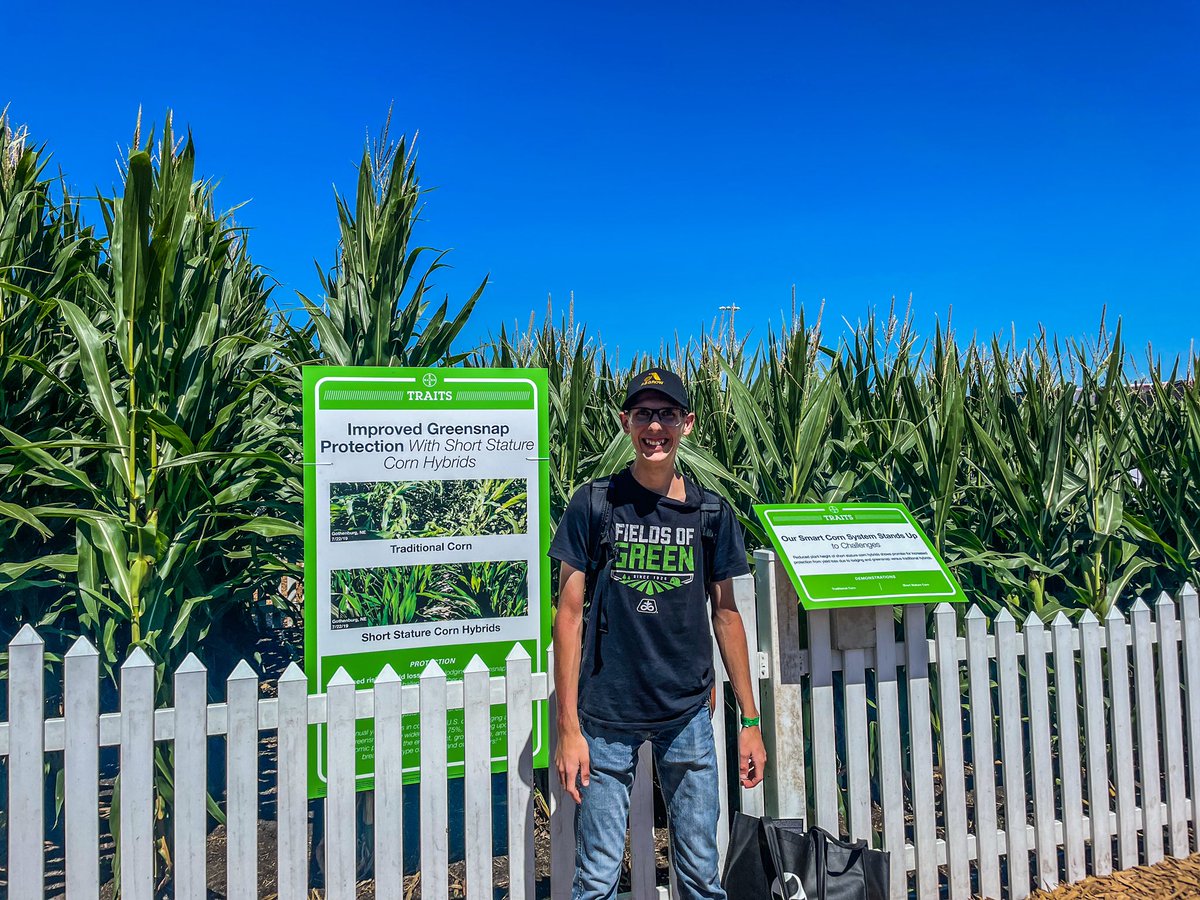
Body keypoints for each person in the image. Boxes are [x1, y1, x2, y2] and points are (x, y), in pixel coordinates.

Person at [550, 367, 767, 900]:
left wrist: (751, 720)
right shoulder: (594, 503)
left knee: (700, 876)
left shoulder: (711, 513)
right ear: (626, 422)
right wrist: (568, 727)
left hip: (687, 713)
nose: (655, 428)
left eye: (666, 414)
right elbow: (568, 614)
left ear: (686, 424)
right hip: (605, 716)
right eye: (643, 414)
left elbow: (727, 616)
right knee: (596, 877)